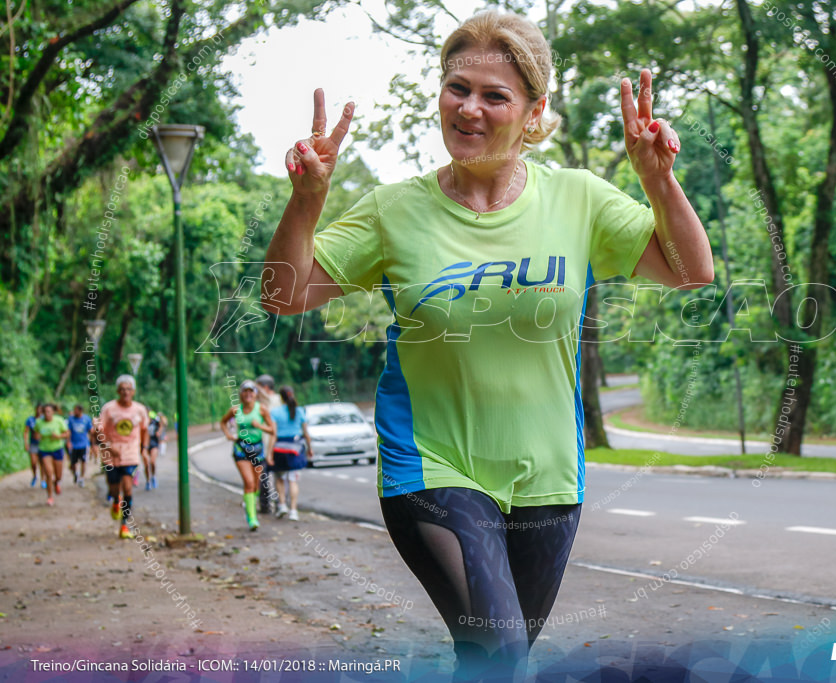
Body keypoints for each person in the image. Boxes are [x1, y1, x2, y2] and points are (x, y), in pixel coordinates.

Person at [263, 10, 713, 679]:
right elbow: (283, 293)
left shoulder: (578, 199)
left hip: (548, 475)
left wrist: (657, 179)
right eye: (457, 88)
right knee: (498, 650)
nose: (469, 108)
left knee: (495, 660)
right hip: (433, 463)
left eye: (494, 95)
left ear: (533, 113)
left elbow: (690, 268)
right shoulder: (396, 210)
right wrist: (307, 200)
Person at [97, 375, 149, 539]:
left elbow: (145, 430)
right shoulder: (109, 409)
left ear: (133, 391)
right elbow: (99, 431)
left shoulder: (139, 410)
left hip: (130, 454)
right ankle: (115, 500)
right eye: (122, 389)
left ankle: (125, 525)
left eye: (128, 389)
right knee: (114, 488)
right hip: (111, 454)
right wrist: (108, 447)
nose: (125, 392)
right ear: (117, 391)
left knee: (127, 488)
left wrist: (144, 448)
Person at [220, 379, 276, 531]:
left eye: (251, 391)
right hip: (241, 449)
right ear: (241, 394)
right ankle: (252, 519)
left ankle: (250, 502)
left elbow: (272, 430)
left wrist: (260, 426)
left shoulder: (262, 410)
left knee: (256, 485)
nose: (248, 394)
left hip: (257, 450)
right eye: (245, 391)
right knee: (249, 482)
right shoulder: (235, 410)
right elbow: (223, 422)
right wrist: (228, 435)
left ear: (255, 394)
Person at [268, 386, 313, 522]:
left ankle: (282, 505)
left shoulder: (275, 412)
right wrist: (309, 448)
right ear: (292, 395)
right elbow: (306, 433)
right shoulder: (300, 411)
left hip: (279, 448)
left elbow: (273, 435)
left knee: (279, 478)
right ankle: (293, 510)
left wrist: (269, 454)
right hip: (295, 448)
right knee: (293, 480)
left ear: (281, 398)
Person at [254, 374, 282, 514]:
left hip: (269, 442)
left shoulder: (270, 401)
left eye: (257, 386)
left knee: (265, 476)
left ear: (264, 387)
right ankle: (278, 505)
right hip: (273, 442)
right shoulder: (280, 400)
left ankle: (268, 505)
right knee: (275, 477)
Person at [34, 404, 69, 505]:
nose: (47, 414)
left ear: (53, 412)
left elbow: (67, 433)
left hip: (57, 449)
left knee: (58, 476)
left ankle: (56, 482)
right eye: (45, 412)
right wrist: (38, 436)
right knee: (49, 473)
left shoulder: (59, 420)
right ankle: (50, 497)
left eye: (49, 411)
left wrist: (58, 436)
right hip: (44, 450)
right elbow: (35, 434)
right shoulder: (39, 422)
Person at [66, 404, 93, 487]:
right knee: (73, 463)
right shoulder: (71, 419)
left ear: (80, 410)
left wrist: (92, 444)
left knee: (84, 461)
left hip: (84, 444)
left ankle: (82, 478)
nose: (74, 412)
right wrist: (68, 441)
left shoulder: (86, 419)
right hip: (74, 444)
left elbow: (90, 431)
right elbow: (68, 431)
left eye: (76, 410)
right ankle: (76, 474)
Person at [143, 409, 164, 490]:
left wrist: (159, 431)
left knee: (152, 462)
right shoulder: (141, 421)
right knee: (146, 464)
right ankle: (148, 481)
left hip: (154, 443)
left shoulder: (155, 420)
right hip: (144, 445)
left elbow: (162, 424)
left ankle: (153, 476)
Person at [23, 404, 42, 488]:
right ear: (35, 409)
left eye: (41, 409)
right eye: (38, 409)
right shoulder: (30, 420)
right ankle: (34, 476)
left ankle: (43, 479)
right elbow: (26, 432)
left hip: (42, 445)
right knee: (33, 462)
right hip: (33, 444)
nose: (39, 411)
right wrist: (26, 443)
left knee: (42, 463)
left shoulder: (44, 420)